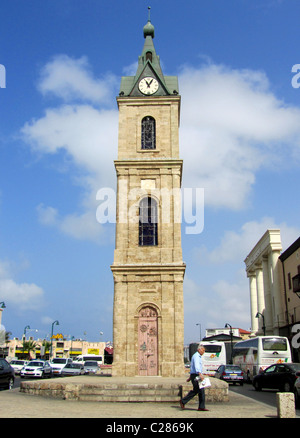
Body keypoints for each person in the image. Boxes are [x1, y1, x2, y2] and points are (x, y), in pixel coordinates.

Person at [179, 344, 209, 411]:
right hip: (196, 376)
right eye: (203, 350)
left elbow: (192, 368)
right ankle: (184, 401)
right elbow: (196, 366)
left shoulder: (197, 356)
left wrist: (190, 377)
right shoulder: (196, 357)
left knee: (198, 390)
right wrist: (200, 374)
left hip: (194, 375)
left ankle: (200, 406)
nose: (204, 352)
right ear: (199, 349)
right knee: (199, 390)